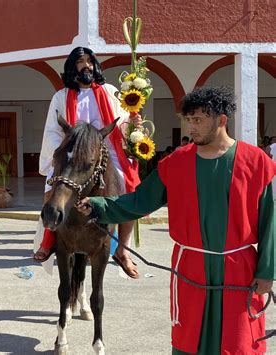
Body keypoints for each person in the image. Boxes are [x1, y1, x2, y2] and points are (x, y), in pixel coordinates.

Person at [77, 86, 274, 354]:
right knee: (189, 336)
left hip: (238, 267)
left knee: (238, 339)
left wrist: (266, 272)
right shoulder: (176, 162)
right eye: (188, 120)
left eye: (198, 120)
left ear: (222, 120)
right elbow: (140, 201)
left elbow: (269, 220)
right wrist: (99, 205)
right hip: (190, 265)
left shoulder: (256, 161)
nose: (191, 127)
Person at [34, 46, 140, 279]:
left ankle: (123, 250)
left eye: (90, 62)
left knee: (130, 192)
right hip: (73, 152)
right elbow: (53, 131)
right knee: (50, 190)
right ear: (73, 68)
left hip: (107, 149)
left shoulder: (110, 91)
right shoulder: (61, 96)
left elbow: (121, 123)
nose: (87, 67)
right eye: (81, 63)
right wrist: (58, 155)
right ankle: (49, 239)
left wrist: (133, 126)